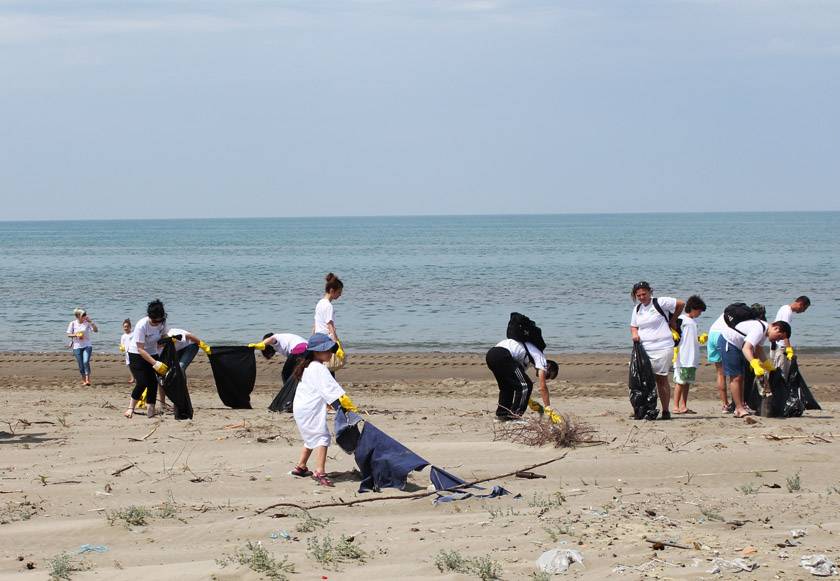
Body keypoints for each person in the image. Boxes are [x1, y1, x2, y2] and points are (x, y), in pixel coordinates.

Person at [290, 333, 358, 487]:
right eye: (326, 350)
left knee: (310, 437)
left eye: (330, 350)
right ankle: (319, 472)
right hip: (309, 409)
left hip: (301, 408)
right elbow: (330, 391)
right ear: (316, 351)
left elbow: (324, 390)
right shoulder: (318, 368)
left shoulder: (308, 366)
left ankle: (301, 467)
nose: (330, 353)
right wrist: (344, 407)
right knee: (322, 437)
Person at [629, 282, 685, 420]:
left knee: (661, 379)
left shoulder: (660, 302)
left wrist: (673, 320)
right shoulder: (637, 309)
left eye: (644, 294)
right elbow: (633, 326)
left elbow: (681, 303)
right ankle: (647, 408)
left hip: (663, 347)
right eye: (639, 295)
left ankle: (666, 410)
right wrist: (634, 334)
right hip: (644, 348)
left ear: (650, 292)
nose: (642, 297)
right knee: (644, 380)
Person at [718, 315, 791, 418]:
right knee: (736, 377)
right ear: (776, 328)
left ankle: (740, 406)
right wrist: (754, 364)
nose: (777, 340)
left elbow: (758, 349)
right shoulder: (759, 329)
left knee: (742, 376)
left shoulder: (764, 331)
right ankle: (739, 408)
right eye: (779, 337)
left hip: (738, 345)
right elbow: (746, 348)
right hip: (729, 342)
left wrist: (768, 365)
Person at [486, 338, 559, 421]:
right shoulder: (541, 360)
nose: (546, 378)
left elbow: (518, 383)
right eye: (548, 375)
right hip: (502, 354)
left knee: (507, 386)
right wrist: (548, 408)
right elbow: (542, 387)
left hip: (491, 356)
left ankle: (502, 415)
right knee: (527, 385)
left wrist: (529, 401)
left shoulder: (527, 361)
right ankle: (515, 417)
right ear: (548, 366)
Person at [125, 300, 170, 419]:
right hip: (136, 354)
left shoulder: (162, 322)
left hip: (152, 352)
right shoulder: (142, 324)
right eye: (154, 321)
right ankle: (131, 408)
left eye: (159, 320)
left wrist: (167, 341)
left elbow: (164, 336)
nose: (156, 323)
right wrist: (155, 363)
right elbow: (140, 349)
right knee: (142, 382)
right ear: (150, 316)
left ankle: (151, 409)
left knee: (153, 381)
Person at [672, 295, 706, 414]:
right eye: (699, 311)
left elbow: (690, 337)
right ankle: (676, 406)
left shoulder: (693, 322)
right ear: (693, 308)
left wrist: (700, 338)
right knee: (680, 382)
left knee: (687, 383)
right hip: (683, 356)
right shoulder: (681, 319)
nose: (700, 314)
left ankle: (683, 405)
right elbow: (675, 334)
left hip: (692, 357)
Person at [771, 296, 811, 378]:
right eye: (805, 308)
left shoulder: (784, 307)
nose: (803, 311)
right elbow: (784, 332)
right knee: (782, 374)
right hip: (781, 347)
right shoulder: (788, 313)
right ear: (800, 304)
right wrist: (789, 350)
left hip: (775, 345)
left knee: (776, 371)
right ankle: (780, 390)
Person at [66, 308, 98, 386]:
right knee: (80, 364)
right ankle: (84, 380)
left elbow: (96, 330)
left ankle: (88, 380)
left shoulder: (87, 323)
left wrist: (91, 322)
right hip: (77, 346)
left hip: (87, 345)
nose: (85, 316)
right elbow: (68, 334)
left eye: (85, 314)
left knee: (85, 361)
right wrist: (76, 335)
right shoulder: (73, 323)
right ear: (78, 316)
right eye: (83, 315)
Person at [119, 319, 134, 384]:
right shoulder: (123, 336)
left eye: (127, 326)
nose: (126, 328)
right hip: (127, 353)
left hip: (133, 352)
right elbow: (122, 344)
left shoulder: (133, 334)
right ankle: (132, 378)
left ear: (130, 327)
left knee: (134, 365)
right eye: (125, 327)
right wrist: (121, 348)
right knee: (129, 365)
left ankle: (136, 377)